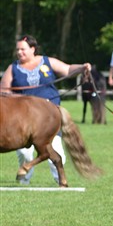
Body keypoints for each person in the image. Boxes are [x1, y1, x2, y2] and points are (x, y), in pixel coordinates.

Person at [0, 34, 91, 184]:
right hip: (23, 118)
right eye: (17, 50)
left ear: (32, 49)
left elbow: (68, 69)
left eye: (23, 49)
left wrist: (81, 68)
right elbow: (4, 91)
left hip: (49, 115)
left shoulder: (47, 62)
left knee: (55, 149)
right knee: (24, 153)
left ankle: (59, 181)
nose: (19, 52)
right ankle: (24, 183)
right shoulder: (13, 68)